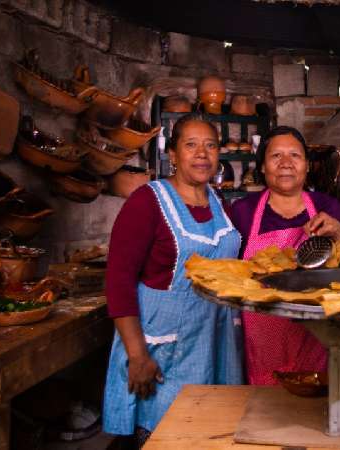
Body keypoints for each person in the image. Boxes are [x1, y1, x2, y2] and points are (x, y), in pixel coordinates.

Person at [102, 114, 244, 444]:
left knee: (207, 430)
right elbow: (119, 280)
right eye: (191, 145)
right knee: (162, 434)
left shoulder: (220, 204)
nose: (202, 154)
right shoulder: (148, 201)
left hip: (213, 341)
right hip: (161, 348)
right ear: (173, 155)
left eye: (210, 145)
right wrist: (137, 355)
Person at [231, 125, 340, 385]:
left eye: (295, 156)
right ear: (262, 167)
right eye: (276, 156)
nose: (286, 163)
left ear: (307, 165)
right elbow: (229, 273)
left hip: (315, 337)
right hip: (261, 340)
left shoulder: (327, 207)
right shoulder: (243, 211)